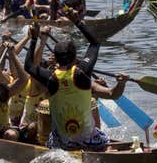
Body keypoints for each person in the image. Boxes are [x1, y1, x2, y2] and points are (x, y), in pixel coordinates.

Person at [24, 13, 128, 150]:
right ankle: (106, 151)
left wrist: (34, 39)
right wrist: (77, 21)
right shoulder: (82, 72)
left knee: (54, 137)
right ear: (75, 58)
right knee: (105, 141)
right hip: (89, 140)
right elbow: (95, 43)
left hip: (61, 143)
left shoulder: (50, 77)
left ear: (55, 58)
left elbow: (29, 65)